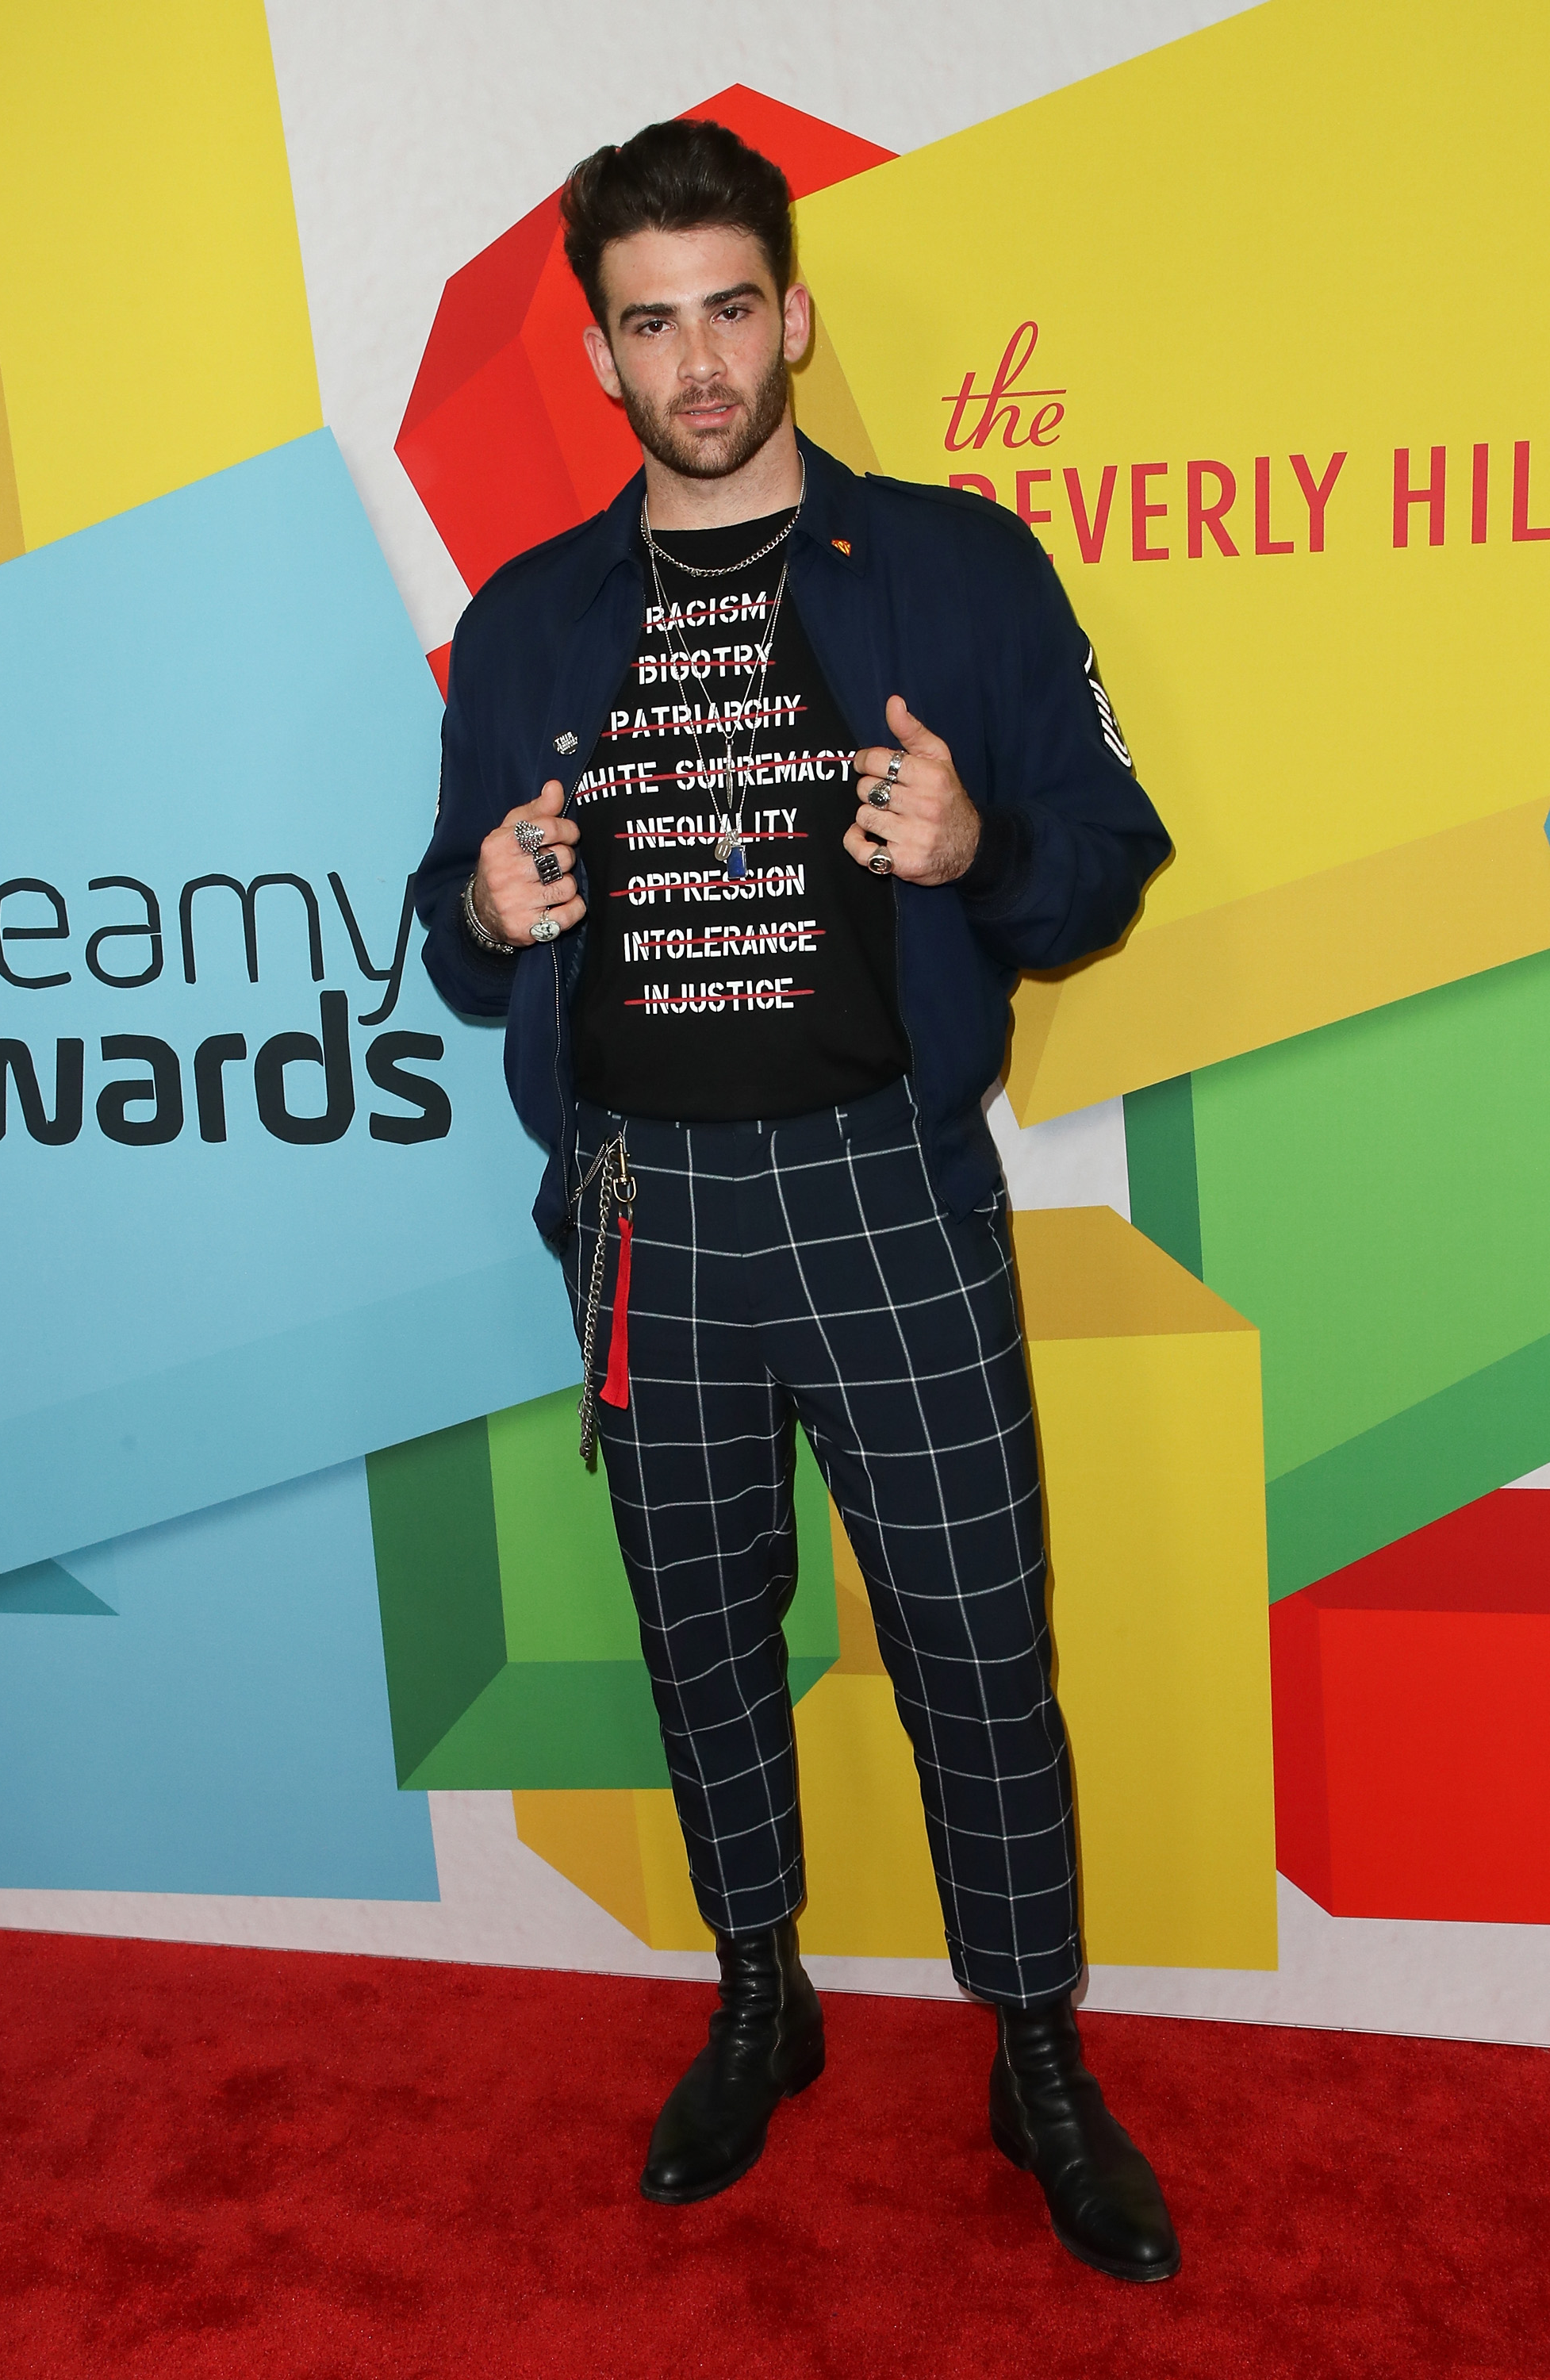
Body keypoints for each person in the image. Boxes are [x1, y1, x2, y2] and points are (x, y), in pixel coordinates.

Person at [416, 116, 1178, 2282]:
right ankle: (764, 1998)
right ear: (602, 360)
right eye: (648, 324)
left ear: (794, 313)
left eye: (728, 306)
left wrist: (975, 860)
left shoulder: (954, 566)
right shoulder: (532, 618)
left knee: (975, 1655)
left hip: (888, 1198)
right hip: (649, 1213)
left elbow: (1105, 853)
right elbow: (463, 928)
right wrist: (476, 902)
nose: (698, 358)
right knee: (701, 1646)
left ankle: (1036, 2059)